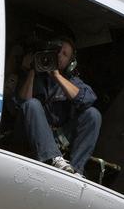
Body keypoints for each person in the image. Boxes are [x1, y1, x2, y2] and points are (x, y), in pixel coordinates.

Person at [16, 36, 101, 175]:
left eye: (65, 54)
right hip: (30, 135)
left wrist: (56, 76)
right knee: (32, 104)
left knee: (93, 115)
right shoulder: (35, 77)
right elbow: (22, 104)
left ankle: (76, 170)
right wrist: (32, 70)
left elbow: (87, 100)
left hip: (59, 137)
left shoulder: (72, 81)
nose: (59, 56)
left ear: (71, 63)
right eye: (57, 51)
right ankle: (53, 157)